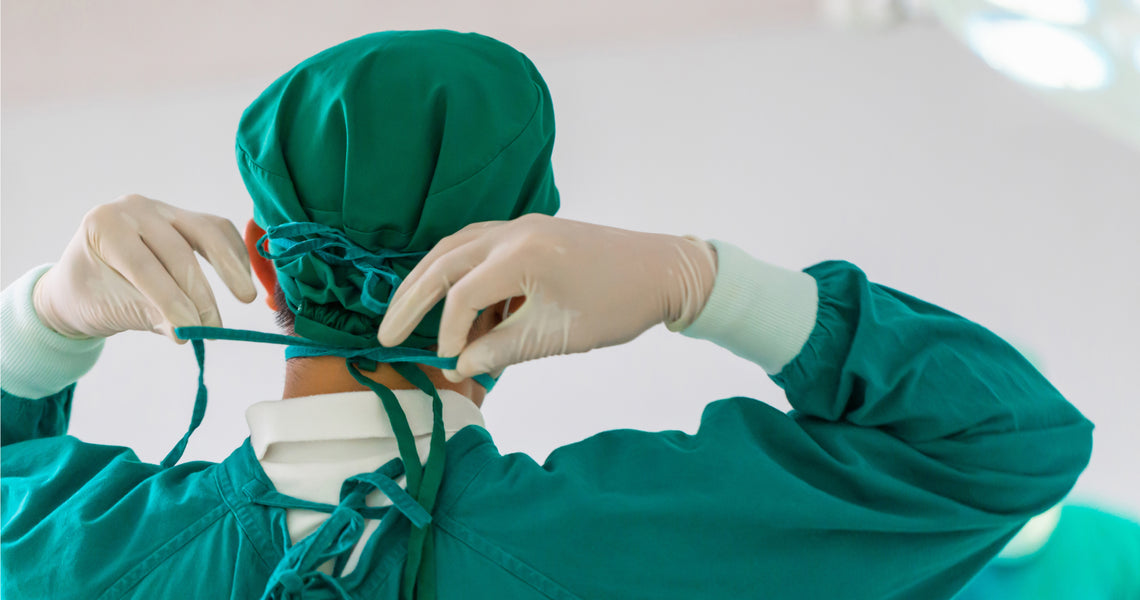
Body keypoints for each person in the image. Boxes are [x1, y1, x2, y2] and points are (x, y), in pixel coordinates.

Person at [0, 30, 1093, 600]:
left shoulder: (64, 551)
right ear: (536, 272)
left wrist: (45, 319)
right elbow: (1005, 445)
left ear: (265, 267)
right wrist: (699, 280)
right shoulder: (648, 550)